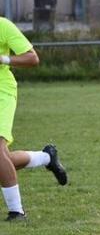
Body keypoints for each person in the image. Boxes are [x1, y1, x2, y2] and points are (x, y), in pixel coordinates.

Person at [0, 17, 68, 221]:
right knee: (3, 160)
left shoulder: (3, 25)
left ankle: (17, 211)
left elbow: (32, 58)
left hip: (2, 91)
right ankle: (47, 157)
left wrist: (3, 59)